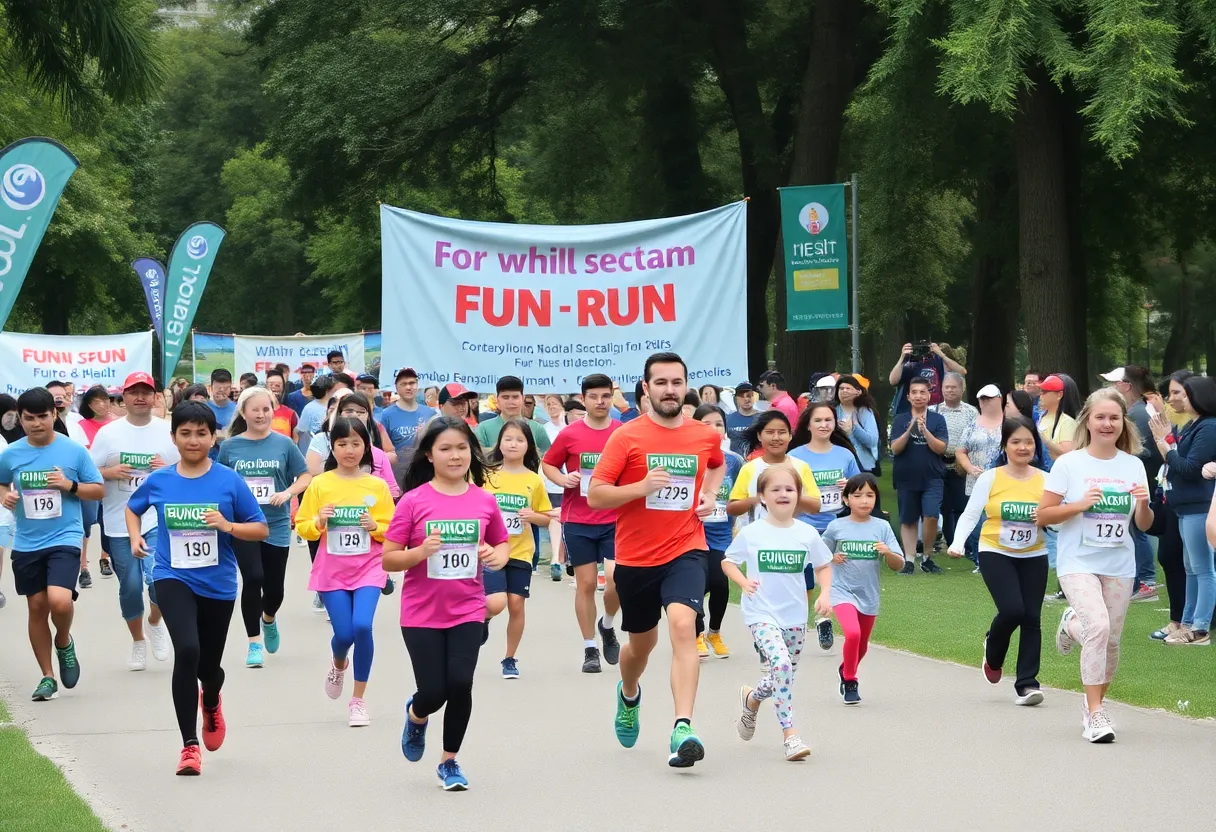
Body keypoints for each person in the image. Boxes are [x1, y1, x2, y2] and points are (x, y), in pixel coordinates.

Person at [587, 352, 725, 768]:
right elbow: (596, 493)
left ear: (687, 387)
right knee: (640, 646)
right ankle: (629, 693)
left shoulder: (704, 434)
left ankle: (683, 726)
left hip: (687, 548)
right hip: (635, 558)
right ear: (646, 389)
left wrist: (710, 494)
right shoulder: (626, 437)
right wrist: (641, 487)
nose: (670, 390)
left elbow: (715, 467)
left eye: (677, 382)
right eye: (661, 383)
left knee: (684, 626)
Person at [125, 401, 269, 774]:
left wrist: (228, 526)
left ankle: (212, 699)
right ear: (174, 437)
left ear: (213, 436)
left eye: (201, 433)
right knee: (187, 651)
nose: (193, 440)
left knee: (209, 666)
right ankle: (189, 746)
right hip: (172, 576)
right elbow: (133, 506)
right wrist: (134, 536)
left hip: (218, 584)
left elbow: (260, 528)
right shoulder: (159, 480)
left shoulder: (228, 480)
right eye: (185, 433)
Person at [384, 417, 510, 791]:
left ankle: (449, 761)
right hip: (421, 612)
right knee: (433, 692)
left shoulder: (484, 501)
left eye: (461, 448)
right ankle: (416, 714)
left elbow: (501, 543)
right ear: (429, 455)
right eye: (445, 449)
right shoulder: (413, 501)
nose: (455, 456)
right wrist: (419, 552)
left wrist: (496, 556)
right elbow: (389, 559)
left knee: (460, 684)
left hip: (468, 609)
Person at [1037, 389, 1152, 743]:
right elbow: (1043, 515)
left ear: (1123, 423)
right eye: (1100, 417)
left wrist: (1145, 505)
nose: (1107, 424)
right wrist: (1079, 505)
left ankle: (1073, 630)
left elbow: (1144, 525)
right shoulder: (1069, 464)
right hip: (1077, 562)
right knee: (1099, 627)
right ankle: (1095, 715)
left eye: (1114, 418)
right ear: (1087, 420)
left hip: (1119, 563)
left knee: (1111, 641)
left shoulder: (1133, 465)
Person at [0, 387, 105, 701]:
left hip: (65, 537)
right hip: (27, 541)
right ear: (20, 418)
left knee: (59, 601)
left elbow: (98, 490)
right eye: (28, 418)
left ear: (54, 415)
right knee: (36, 606)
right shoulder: (11, 453)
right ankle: (47, 676)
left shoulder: (73, 451)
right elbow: (2, 482)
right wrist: (6, 496)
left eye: (42, 417)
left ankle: (63, 641)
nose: (36, 424)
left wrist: (69, 485)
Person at [724, 464, 832, 760]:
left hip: (795, 616)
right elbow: (728, 561)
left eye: (789, 489)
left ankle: (752, 698)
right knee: (781, 666)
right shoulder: (752, 532)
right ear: (761, 496)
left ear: (798, 495)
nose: (783, 494)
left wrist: (825, 592)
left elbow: (823, 565)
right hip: (761, 613)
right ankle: (791, 736)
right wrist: (744, 582)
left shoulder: (807, 534)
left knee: (781, 676)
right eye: (775, 489)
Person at [296, 416, 394, 726]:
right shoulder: (320, 484)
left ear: (366, 446)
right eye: (342, 444)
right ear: (332, 447)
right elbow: (303, 526)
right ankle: (339, 665)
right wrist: (319, 523)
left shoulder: (376, 486)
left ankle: (358, 700)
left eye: (355, 444)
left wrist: (375, 526)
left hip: (369, 567)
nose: (349, 450)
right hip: (332, 571)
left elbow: (392, 529)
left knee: (363, 627)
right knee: (344, 634)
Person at [949, 416, 1049, 705]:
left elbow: (1059, 516)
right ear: (1005, 445)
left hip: (1034, 554)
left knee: (1032, 617)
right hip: (995, 551)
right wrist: (957, 543)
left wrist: (1047, 518)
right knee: (1012, 610)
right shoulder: (991, 477)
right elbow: (970, 514)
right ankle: (993, 649)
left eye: (1028, 442)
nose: (1022, 447)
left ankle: (1027, 684)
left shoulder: (1047, 481)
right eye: (1016, 441)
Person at [90, 372, 179, 670]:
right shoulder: (108, 433)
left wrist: (167, 469)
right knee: (129, 586)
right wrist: (110, 473)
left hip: (157, 520)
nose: (140, 397)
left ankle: (156, 622)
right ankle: (137, 640)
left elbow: (190, 469)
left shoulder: (168, 431)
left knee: (158, 581)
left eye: (146, 391)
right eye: (133, 392)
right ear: (123, 397)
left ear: (155, 397)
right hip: (118, 521)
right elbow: (88, 474)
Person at [218, 387, 312, 667]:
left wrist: (288, 493)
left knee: (275, 590)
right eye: (255, 409)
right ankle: (253, 643)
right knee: (253, 578)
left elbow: (305, 475)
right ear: (243, 413)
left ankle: (268, 618)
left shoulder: (284, 444)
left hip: (277, 524)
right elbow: (220, 482)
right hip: (244, 525)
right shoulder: (230, 446)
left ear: (273, 412)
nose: (261, 414)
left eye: (266, 409)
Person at [542, 374, 624, 672]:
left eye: (606, 396)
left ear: (612, 397)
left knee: (617, 580)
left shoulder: (622, 432)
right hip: (578, 518)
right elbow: (549, 462)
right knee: (586, 584)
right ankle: (590, 648)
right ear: (584, 398)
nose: (600, 402)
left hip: (616, 517)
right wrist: (562, 479)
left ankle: (608, 624)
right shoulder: (570, 434)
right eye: (594, 397)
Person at [820, 474, 904, 704]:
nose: (864, 501)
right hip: (842, 590)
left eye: (869, 495)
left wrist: (887, 553)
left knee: (862, 645)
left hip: (869, 593)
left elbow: (899, 564)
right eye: (857, 496)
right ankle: (850, 680)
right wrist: (832, 556)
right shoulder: (836, 526)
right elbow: (820, 554)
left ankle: (845, 667)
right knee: (853, 634)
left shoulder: (882, 527)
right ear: (846, 500)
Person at [1149, 374, 1216, 645]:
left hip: (1198, 506)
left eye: (1184, 395)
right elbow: (1183, 462)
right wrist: (1167, 442)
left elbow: (1188, 468)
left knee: (1202, 568)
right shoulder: (1195, 424)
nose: (1178, 400)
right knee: (1191, 568)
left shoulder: (1208, 426)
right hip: (1185, 507)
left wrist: (1165, 445)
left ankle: (1199, 628)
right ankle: (1187, 622)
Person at [482, 418, 551, 677]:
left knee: (516, 604)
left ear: (528, 446)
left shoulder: (534, 480)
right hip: (490, 550)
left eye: (520, 440)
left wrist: (532, 517)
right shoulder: (487, 476)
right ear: (499, 443)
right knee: (494, 603)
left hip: (521, 551)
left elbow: (545, 518)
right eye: (508, 439)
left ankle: (509, 658)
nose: (513, 444)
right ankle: (485, 618)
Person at [692, 404, 744, 658]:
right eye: (706, 424)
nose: (713, 429)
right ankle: (696, 634)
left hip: (722, 534)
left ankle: (714, 631)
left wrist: (736, 525)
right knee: (695, 586)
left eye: (719, 424)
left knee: (720, 584)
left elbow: (739, 496)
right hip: (692, 534)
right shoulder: (688, 459)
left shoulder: (734, 461)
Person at [890, 378, 949, 574]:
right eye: (914, 392)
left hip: (932, 476)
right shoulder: (900, 419)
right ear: (908, 396)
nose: (918, 396)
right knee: (908, 519)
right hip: (906, 476)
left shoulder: (937, 420)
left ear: (929, 395)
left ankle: (927, 556)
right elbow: (895, 449)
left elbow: (941, 448)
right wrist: (910, 429)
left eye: (922, 392)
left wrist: (925, 431)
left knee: (931, 514)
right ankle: (909, 560)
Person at [954, 385, 1006, 566]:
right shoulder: (972, 425)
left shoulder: (1010, 423)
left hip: (1003, 481)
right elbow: (961, 451)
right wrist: (969, 468)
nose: (985, 402)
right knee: (977, 522)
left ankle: (998, 558)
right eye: (982, 399)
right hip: (976, 480)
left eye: (989, 399)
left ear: (999, 399)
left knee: (997, 519)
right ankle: (980, 560)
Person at [932, 373, 978, 554]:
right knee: (944, 507)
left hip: (960, 466)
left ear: (962, 389)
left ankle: (965, 544)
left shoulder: (971, 412)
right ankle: (951, 542)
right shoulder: (934, 411)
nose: (950, 390)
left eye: (954, 387)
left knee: (961, 506)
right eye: (947, 387)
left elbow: (976, 437)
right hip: (938, 464)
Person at [378, 367, 437, 483]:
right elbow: (382, 450)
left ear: (417, 385)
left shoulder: (430, 413)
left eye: (412, 383)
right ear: (396, 388)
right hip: (399, 477)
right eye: (403, 384)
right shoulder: (386, 415)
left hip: (426, 475)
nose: (408, 387)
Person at [474, 376, 552, 453]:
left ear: (522, 398)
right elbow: (477, 456)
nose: (511, 402)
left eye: (515, 397)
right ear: (497, 400)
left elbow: (548, 459)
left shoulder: (537, 428)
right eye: (505, 397)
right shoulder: (483, 429)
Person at [889, 342, 967, 415]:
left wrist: (941, 355)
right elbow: (893, 381)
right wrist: (902, 357)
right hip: (913, 412)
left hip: (936, 412)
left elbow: (962, 371)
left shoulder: (938, 363)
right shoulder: (910, 364)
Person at [539, 394, 567, 578]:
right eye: (548, 405)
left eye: (555, 404)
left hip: (571, 482)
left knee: (566, 520)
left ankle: (562, 558)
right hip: (550, 482)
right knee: (555, 518)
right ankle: (556, 559)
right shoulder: (543, 430)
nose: (552, 407)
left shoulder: (570, 428)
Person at [833, 375, 880, 473]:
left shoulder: (865, 412)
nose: (844, 391)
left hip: (862, 464)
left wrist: (854, 428)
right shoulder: (832, 411)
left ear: (858, 392)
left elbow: (872, 441)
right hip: (837, 462)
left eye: (848, 388)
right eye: (841, 388)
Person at [1037, 374, 1080, 462]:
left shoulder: (1067, 422)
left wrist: (1041, 437)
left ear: (1059, 395)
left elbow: (1067, 452)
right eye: (1041, 391)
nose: (1040, 395)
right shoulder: (1040, 416)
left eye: (1045, 392)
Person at [298, 375, 335, 456]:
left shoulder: (309, 407)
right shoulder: (310, 408)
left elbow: (301, 430)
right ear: (327, 391)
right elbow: (301, 432)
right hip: (317, 451)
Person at [725, 381, 760, 457]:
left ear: (754, 397)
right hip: (735, 463)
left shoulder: (762, 418)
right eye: (742, 396)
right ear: (736, 398)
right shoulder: (728, 419)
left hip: (756, 462)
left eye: (749, 395)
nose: (746, 399)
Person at [264, 370, 299, 443]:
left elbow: (295, 442)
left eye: (278, 385)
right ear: (265, 387)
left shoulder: (291, 414)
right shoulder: (256, 412)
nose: (274, 388)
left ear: (283, 389)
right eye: (271, 384)